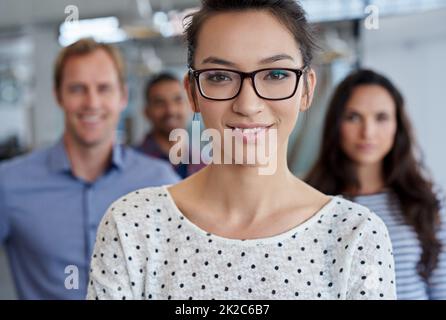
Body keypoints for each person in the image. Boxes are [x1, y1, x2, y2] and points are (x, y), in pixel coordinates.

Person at [87, 0, 396, 300]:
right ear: (192, 94)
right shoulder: (134, 226)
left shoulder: (355, 236)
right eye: (220, 77)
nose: (248, 105)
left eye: (275, 75)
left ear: (307, 90)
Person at [0, 38, 179, 299]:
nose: (92, 103)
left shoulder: (160, 182)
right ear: (58, 95)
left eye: (104, 88)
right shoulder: (9, 184)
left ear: (123, 96)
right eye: (77, 89)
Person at [306, 69, 446, 299]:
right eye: (353, 117)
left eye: (381, 118)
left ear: (397, 126)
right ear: (336, 124)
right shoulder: (312, 201)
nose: (367, 132)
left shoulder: (427, 199)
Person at [138, 72, 205, 178]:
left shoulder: (203, 164)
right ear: (146, 112)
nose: (171, 110)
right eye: (159, 103)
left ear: (190, 106)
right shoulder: (135, 164)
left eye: (178, 100)